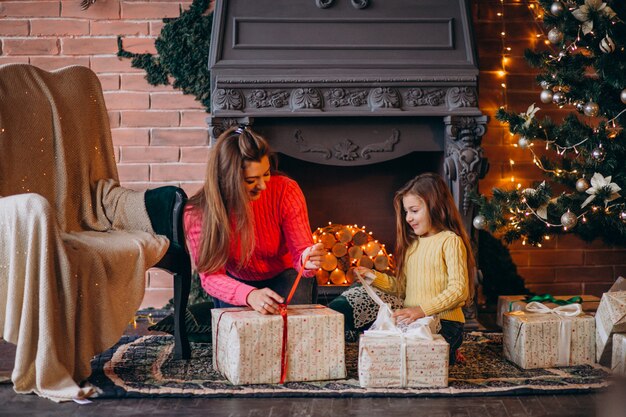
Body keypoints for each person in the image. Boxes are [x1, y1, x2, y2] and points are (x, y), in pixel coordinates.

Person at [330, 172, 474, 364]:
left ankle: (449, 350)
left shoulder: (450, 241)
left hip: (445, 324)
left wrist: (421, 310)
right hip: (415, 321)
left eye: (414, 210)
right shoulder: (413, 246)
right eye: (406, 212)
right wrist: (372, 276)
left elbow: (459, 291)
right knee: (385, 348)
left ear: (435, 207)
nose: (408, 218)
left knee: (407, 358)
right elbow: (402, 288)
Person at [184, 125, 325, 314]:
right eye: (251, 180)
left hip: (285, 275)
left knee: (292, 329)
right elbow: (210, 276)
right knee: (241, 338)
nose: (263, 185)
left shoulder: (286, 190)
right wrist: (250, 295)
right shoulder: (198, 213)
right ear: (228, 179)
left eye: (266, 174)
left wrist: (307, 261)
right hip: (235, 283)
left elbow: (300, 254)